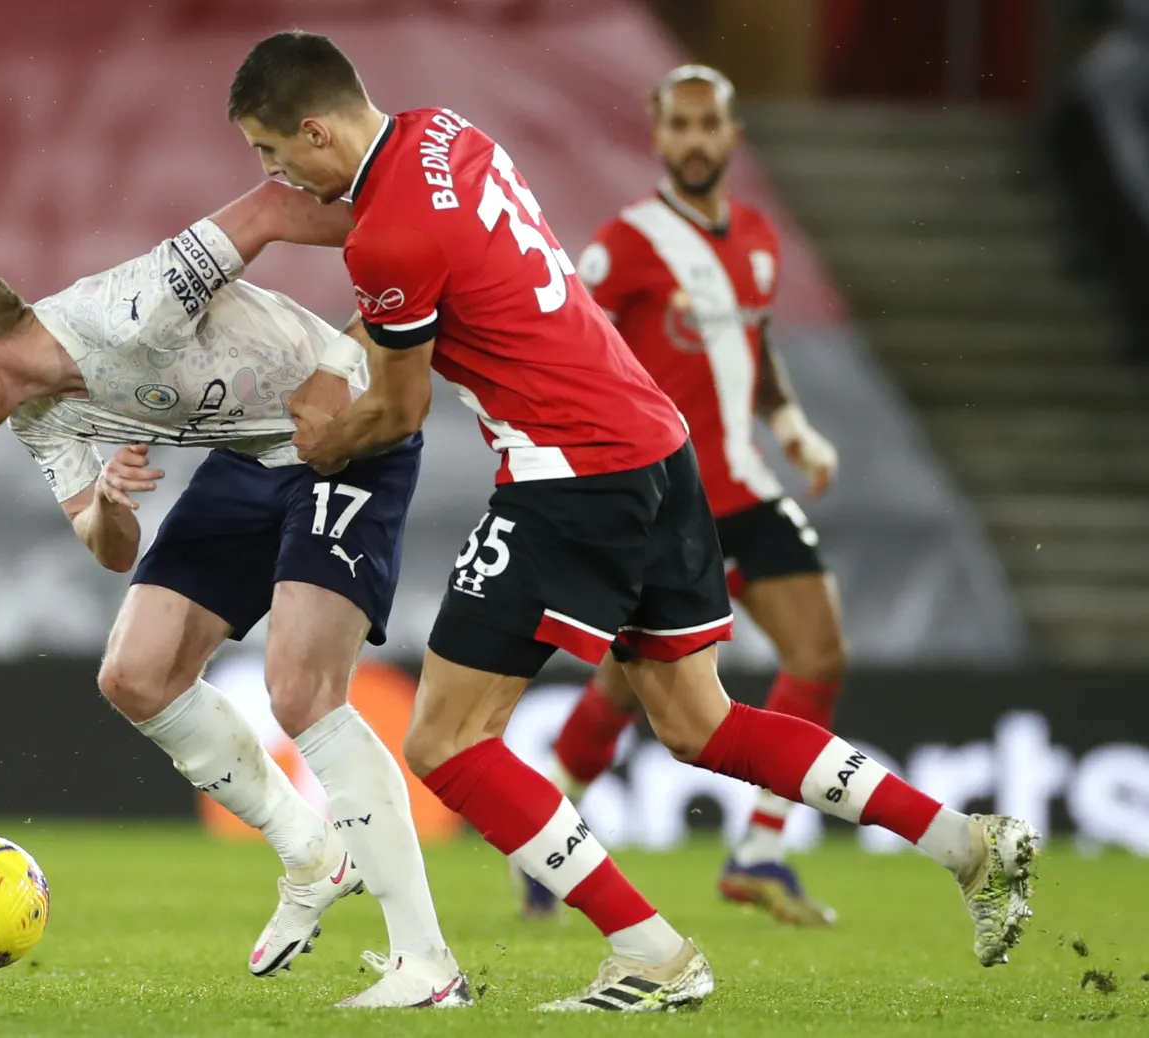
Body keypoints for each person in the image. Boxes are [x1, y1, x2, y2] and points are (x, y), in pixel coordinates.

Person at [228, 31, 1038, 1013]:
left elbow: (398, 409)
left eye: (272, 151)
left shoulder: (385, 240)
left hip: (569, 475)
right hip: (656, 446)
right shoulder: (445, 132)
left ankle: (651, 953)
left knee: (445, 740)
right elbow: (439, 263)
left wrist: (324, 442)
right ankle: (968, 844)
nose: (275, 175)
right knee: (701, 724)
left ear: (315, 130)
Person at [0, 179, 469, 1008]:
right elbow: (110, 548)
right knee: (137, 674)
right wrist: (111, 504)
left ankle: (427, 966)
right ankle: (312, 855)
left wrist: (414, 245)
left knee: (301, 690)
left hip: (346, 436)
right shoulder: (37, 415)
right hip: (250, 460)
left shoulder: (128, 308)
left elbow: (270, 208)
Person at [519, 65, 844, 928]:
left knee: (819, 653)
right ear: (658, 134)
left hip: (745, 484)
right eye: (680, 125)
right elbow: (566, 344)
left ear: (733, 134)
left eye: (709, 125)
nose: (695, 140)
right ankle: (550, 823)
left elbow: (754, 350)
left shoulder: (761, 238)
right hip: (665, 498)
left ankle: (759, 852)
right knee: (629, 689)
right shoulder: (626, 243)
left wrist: (793, 425)